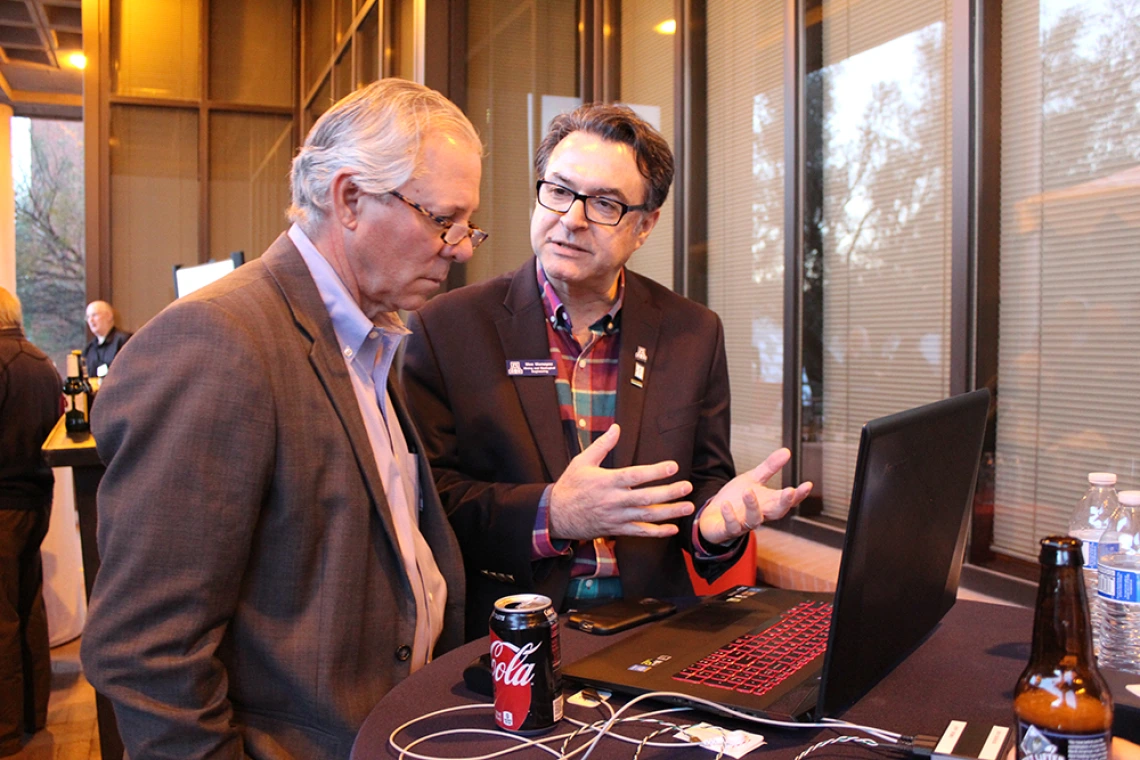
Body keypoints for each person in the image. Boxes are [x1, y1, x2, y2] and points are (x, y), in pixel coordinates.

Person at [80, 79, 484, 759]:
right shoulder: (219, 341)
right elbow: (148, 655)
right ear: (350, 199)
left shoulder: (373, 338)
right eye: (442, 219)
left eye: (468, 224)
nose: (461, 247)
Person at [402, 103, 813, 640]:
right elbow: (427, 502)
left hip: (651, 631)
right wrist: (554, 514)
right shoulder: (447, 328)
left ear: (645, 227)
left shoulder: (693, 333)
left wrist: (714, 528)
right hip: (504, 639)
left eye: (604, 204)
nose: (571, 218)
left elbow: (704, 488)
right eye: (559, 190)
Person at [0, 287, 61, 757]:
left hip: (2, 505)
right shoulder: (43, 363)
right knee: (29, 609)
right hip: (37, 500)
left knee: (2, 620)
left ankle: (3, 731)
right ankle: (33, 715)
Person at [81, 300, 130, 380]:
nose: (90, 320)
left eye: (94, 315)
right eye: (88, 317)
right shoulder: (89, 349)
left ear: (109, 316)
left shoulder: (124, 341)